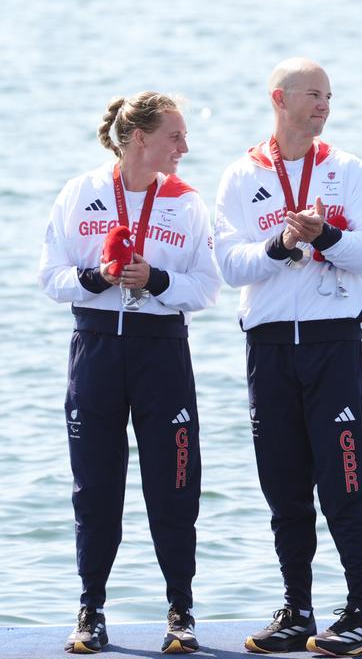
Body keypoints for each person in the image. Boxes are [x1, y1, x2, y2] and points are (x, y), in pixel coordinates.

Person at [214, 58, 362, 656]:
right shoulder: (241, 175)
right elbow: (229, 264)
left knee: (345, 481)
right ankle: (298, 608)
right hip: (267, 348)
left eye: (329, 95)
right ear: (279, 99)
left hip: (332, 342)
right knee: (283, 485)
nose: (324, 104)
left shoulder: (347, 170)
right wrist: (282, 243)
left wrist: (325, 237)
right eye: (313, 94)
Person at [38, 92, 219, 654]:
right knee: (95, 486)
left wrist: (156, 280)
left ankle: (181, 612)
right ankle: (91, 609)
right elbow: (51, 276)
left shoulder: (185, 203)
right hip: (95, 350)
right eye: (175, 137)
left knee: (174, 484)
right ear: (140, 138)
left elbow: (208, 287)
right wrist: (97, 277)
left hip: (161, 352)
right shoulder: (81, 192)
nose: (185, 147)